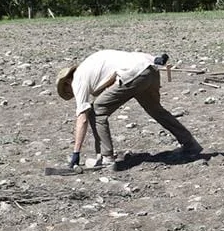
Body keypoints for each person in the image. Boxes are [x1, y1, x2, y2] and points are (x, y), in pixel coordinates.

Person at [56, 50, 201, 171]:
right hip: (149, 69)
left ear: (68, 82)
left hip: (133, 74)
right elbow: (128, 60)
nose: (72, 93)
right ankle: (190, 144)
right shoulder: (92, 64)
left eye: (68, 91)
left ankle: (107, 159)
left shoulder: (78, 79)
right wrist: (155, 59)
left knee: (96, 110)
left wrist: (76, 152)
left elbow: (82, 118)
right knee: (156, 110)